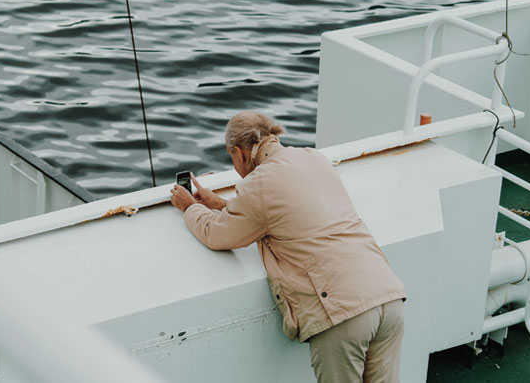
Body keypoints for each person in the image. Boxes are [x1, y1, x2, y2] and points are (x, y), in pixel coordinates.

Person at [170, 111, 406, 383]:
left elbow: (218, 234)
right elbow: (285, 212)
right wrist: (220, 204)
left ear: (239, 152)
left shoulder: (260, 183)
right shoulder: (312, 158)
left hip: (344, 313)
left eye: (231, 157)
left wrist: (189, 208)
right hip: (387, 298)